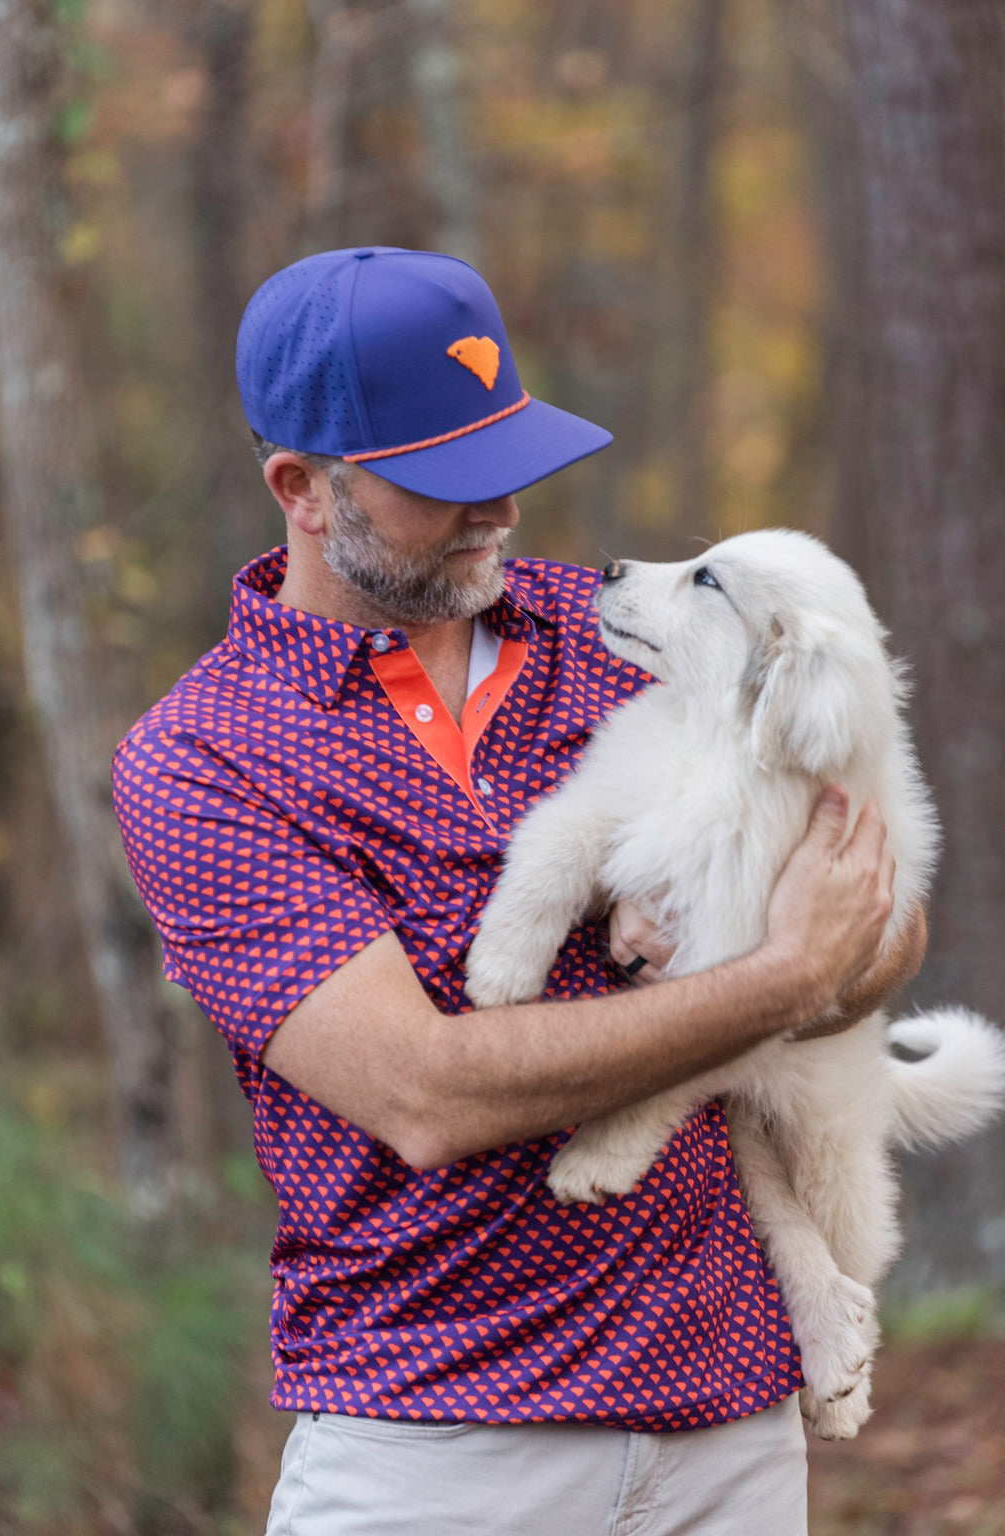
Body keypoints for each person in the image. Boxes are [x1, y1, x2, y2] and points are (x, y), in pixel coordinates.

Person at [112, 247, 923, 1536]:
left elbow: (874, 906)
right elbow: (424, 1094)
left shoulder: (630, 632)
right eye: (445, 483)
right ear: (302, 490)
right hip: (435, 1447)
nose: (498, 512)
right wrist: (774, 971)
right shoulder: (208, 757)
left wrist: (837, 950)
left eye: (510, 463)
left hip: (728, 1428)